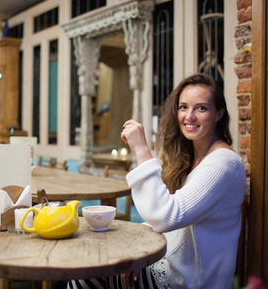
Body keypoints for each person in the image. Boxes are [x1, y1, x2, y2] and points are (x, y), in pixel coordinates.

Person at [67, 73, 246, 289]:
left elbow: (167, 216)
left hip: (189, 282)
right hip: (169, 265)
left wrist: (142, 149)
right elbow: (169, 223)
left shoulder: (223, 163)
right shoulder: (195, 158)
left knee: (85, 274)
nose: (189, 116)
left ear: (218, 114)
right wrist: (138, 253)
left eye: (201, 108)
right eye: (183, 107)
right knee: (89, 265)